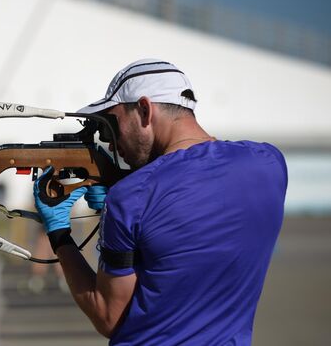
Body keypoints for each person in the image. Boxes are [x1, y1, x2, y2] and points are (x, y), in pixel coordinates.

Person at [33, 58, 288, 345]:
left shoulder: (131, 197)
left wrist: (58, 233)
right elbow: (189, 225)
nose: (110, 141)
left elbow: (107, 315)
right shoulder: (269, 164)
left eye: (110, 125)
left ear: (144, 110)